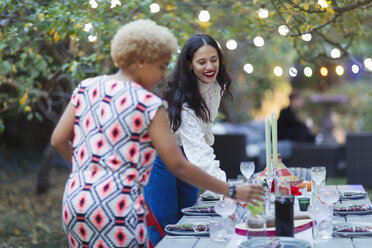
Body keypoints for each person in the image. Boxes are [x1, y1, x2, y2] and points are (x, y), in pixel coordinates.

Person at [51, 20, 264, 248]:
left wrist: (90, 171)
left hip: (76, 202)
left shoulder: (86, 87)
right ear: (143, 61)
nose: (164, 75)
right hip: (117, 206)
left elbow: (58, 141)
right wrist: (231, 190)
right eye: (161, 66)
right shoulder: (149, 103)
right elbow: (179, 166)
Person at [143, 33, 233, 245]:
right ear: (190, 65)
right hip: (162, 157)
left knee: (188, 221)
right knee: (165, 226)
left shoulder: (217, 87)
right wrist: (228, 189)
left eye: (214, 59)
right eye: (201, 62)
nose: (210, 66)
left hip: (186, 154)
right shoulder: (184, 100)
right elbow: (199, 153)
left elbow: (204, 130)